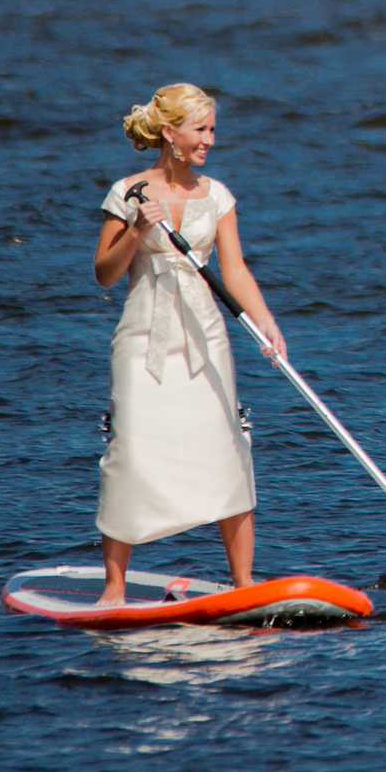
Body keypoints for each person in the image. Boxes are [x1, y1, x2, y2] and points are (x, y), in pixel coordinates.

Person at [91, 84, 285, 603]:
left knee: (227, 446)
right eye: (201, 130)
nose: (210, 140)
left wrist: (266, 322)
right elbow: (104, 274)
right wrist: (135, 229)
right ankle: (114, 587)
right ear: (170, 133)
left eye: (213, 129)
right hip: (143, 337)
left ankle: (243, 583)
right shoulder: (128, 191)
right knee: (131, 447)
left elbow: (235, 270)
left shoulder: (217, 195)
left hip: (205, 337)